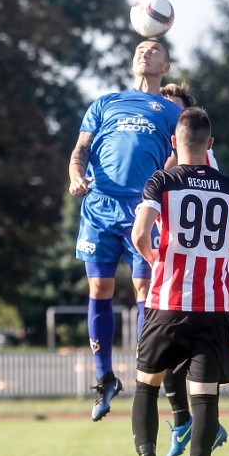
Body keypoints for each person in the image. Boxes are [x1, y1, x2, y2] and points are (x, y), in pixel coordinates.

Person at [128, 107, 229, 456]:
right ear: (210, 144)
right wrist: (219, 248)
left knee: (147, 387)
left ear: (174, 142)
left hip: (167, 304)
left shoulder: (162, 181)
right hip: (212, 308)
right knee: (205, 399)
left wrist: (157, 261)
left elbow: (138, 235)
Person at [68, 40, 182, 421]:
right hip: (99, 205)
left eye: (153, 50)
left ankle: (145, 372)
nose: (144, 53)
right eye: (139, 49)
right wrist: (74, 176)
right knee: (100, 288)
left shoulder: (169, 111)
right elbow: (81, 148)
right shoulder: (105, 103)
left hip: (142, 209)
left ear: (165, 65)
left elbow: (177, 157)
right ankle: (104, 379)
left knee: (144, 290)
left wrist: (160, 186)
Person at [158, 83, 227, 456]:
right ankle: (189, 423)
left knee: (183, 360)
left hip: (195, 283)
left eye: (173, 111)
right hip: (166, 276)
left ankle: (198, 424)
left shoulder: (200, 167)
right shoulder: (165, 162)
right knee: (164, 357)